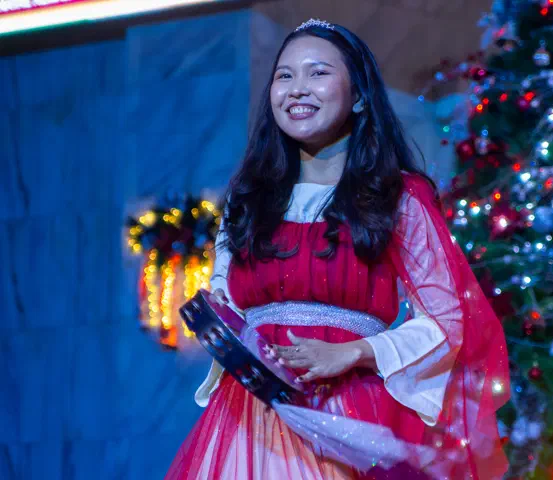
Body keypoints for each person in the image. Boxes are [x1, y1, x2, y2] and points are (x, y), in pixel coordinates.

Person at [166, 18, 510, 480]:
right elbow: (224, 297)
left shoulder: (398, 197)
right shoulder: (249, 198)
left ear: (360, 96)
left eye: (318, 73)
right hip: (249, 416)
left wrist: (354, 353)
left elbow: (449, 322)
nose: (297, 88)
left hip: (348, 412)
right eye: (284, 75)